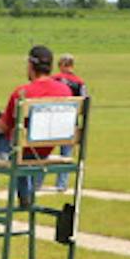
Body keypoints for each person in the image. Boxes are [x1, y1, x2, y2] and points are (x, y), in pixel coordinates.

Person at [0, 45, 72, 212]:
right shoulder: (65, 90)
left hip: (23, 150)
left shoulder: (22, 92)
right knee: (20, 146)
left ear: (31, 66)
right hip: (45, 148)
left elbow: (3, 126)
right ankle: (26, 196)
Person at [49, 55, 84, 191]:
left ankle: (36, 183)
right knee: (66, 153)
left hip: (53, 120)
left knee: (43, 152)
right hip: (70, 121)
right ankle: (62, 184)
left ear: (62, 65)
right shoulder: (79, 82)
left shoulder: (55, 79)